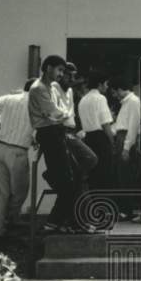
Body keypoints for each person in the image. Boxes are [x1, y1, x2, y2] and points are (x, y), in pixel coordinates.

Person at [0, 78, 35, 245]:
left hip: (0, 149)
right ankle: (11, 221)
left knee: (0, 192)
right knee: (20, 191)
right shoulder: (35, 103)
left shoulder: (10, 98)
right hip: (18, 151)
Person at [29, 56, 75, 233]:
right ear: (48, 68)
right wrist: (63, 114)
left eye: (63, 71)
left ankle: (61, 221)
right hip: (49, 133)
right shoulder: (39, 88)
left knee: (71, 177)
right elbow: (55, 113)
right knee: (67, 181)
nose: (61, 74)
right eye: (59, 70)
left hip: (56, 132)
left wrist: (62, 114)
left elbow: (59, 111)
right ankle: (54, 222)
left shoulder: (51, 88)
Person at [54, 62, 98, 229]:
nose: (71, 79)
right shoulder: (53, 91)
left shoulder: (71, 92)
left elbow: (72, 115)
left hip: (72, 132)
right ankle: (78, 220)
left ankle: (77, 219)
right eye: (68, 75)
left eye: (73, 76)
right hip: (62, 133)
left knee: (80, 177)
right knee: (88, 162)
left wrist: (79, 130)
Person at [110, 76, 141, 221]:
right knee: (121, 176)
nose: (115, 96)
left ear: (119, 90)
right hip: (120, 137)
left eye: (115, 92)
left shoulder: (133, 101)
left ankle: (127, 209)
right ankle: (125, 208)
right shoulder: (125, 103)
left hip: (126, 139)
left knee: (126, 176)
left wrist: (126, 147)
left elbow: (133, 126)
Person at [78, 71, 115, 192]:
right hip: (100, 139)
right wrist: (112, 142)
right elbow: (105, 123)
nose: (107, 86)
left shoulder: (83, 100)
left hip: (88, 139)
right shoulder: (100, 98)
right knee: (104, 174)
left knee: (93, 174)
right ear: (100, 84)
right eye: (106, 84)